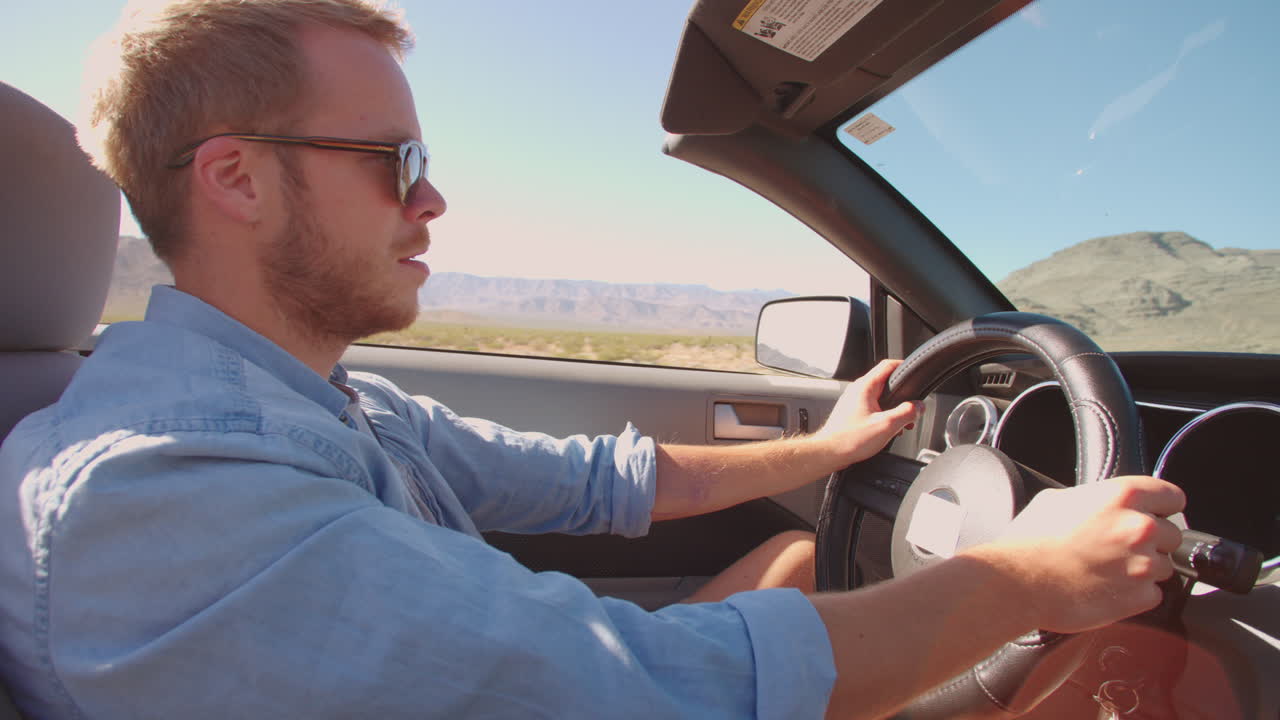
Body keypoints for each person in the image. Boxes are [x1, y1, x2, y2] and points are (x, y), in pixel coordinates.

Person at [0, 1, 1185, 718]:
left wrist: (826, 447)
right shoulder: (160, 488)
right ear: (238, 179)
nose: (437, 198)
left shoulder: (311, 400)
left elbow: (595, 480)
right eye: (396, 162)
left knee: (786, 555)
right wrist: (1022, 580)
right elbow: (647, 691)